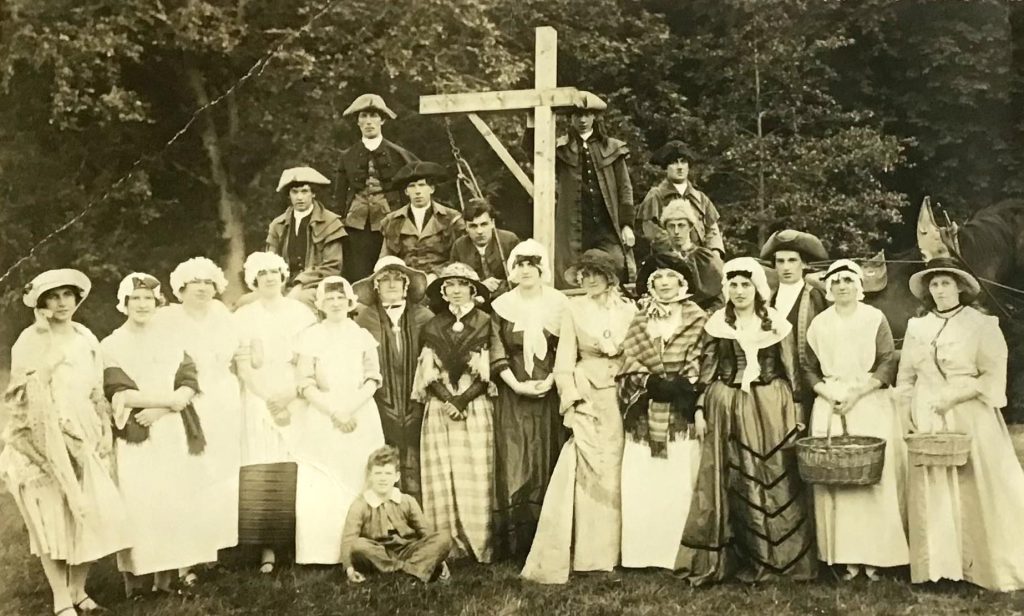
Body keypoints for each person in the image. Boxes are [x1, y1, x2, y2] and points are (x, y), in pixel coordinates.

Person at [677, 257, 817, 584]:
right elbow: (707, 369)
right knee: (728, 476)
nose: (739, 291)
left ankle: (776, 558)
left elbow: (791, 372)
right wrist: (699, 409)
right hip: (725, 404)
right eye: (733, 285)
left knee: (770, 474)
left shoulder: (777, 323)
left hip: (768, 405)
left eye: (745, 285)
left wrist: (796, 411)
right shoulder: (716, 324)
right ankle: (732, 557)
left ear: (757, 289)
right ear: (726, 289)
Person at [1, 269, 129, 615]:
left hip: (83, 432)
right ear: (41, 304)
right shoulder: (30, 339)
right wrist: (46, 345)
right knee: (51, 521)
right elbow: (20, 394)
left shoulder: (86, 335)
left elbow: (95, 389)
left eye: (67, 296)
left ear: (76, 299)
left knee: (86, 515)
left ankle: (79, 591)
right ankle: (60, 597)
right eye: (52, 298)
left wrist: (102, 428)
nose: (61, 304)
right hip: (43, 441)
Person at [897, 258, 1024, 591]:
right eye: (934, 285)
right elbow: (906, 375)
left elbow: (994, 376)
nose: (939, 290)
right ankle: (938, 567)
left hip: (969, 412)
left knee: (975, 485)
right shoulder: (917, 327)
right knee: (933, 487)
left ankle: (981, 566)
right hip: (926, 412)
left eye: (946, 284)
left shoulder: (981, 325)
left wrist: (955, 396)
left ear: (960, 288)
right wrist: (906, 413)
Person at [521, 249, 636, 584]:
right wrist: (570, 401)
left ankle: (619, 552)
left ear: (609, 276)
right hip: (588, 391)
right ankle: (590, 554)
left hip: (623, 394)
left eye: (594, 273)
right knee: (590, 466)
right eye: (583, 274)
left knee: (617, 467)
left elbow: (637, 351)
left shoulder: (630, 309)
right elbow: (564, 362)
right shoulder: (574, 309)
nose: (587, 279)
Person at [101, 273, 214, 596]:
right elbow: (118, 391)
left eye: (148, 299)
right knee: (138, 503)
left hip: (171, 430)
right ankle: (134, 583)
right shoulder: (112, 344)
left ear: (157, 302)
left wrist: (167, 408)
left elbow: (189, 379)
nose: (141, 304)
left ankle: (164, 581)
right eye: (134, 299)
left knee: (171, 501)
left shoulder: (171, 337)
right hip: (136, 432)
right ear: (123, 304)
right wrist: (168, 402)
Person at [805, 259, 908, 581]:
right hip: (830, 403)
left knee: (872, 478)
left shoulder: (874, 318)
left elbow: (886, 362)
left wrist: (858, 393)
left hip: (868, 400)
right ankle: (842, 558)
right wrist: (828, 393)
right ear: (829, 287)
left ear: (858, 285)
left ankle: (877, 557)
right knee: (836, 479)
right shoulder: (819, 323)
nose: (841, 287)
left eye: (848, 281)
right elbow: (807, 366)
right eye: (835, 282)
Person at [616, 263, 705, 570]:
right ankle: (643, 554)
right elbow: (628, 357)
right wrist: (650, 382)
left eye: (671, 276)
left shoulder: (696, 317)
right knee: (644, 479)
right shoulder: (640, 318)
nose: (665, 282)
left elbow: (701, 357)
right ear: (650, 284)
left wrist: (681, 384)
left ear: (682, 282)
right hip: (646, 406)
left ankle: (676, 552)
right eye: (659, 276)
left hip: (681, 408)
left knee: (679, 478)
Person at [232, 252, 317, 573]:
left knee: (295, 462)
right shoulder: (243, 316)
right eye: (262, 273)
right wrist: (269, 398)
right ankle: (266, 547)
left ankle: (297, 540)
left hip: (295, 394)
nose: (269, 278)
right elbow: (243, 367)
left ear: (283, 276)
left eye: (274, 272)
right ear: (253, 279)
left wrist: (290, 394)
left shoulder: (301, 313)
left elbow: (309, 359)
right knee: (263, 464)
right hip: (257, 397)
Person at [162, 258, 246, 575]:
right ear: (181, 287)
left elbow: (242, 353)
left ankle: (213, 550)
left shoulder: (224, 316)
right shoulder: (168, 318)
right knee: (190, 472)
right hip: (187, 399)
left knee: (221, 472)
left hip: (223, 398)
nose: (201, 287)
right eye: (194, 281)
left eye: (208, 281)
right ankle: (185, 558)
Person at [294, 276, 386, 564]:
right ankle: (320, 553)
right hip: (323, 413)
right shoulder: (310, 337)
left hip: (360, 412)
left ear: (350, 302)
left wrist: (350, 408)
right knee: (323, 480)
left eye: (340, 298)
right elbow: (305, 383)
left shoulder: (361, 336)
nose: (335, 303)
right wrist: (334, 411)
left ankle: (361, 550)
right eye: (329, 298)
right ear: (320, 304)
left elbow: (373, 379)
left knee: (358, 474)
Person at [490, 239, 569, 560]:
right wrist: (516, 384)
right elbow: (495, 348)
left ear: (541, 268)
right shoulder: (502, 306)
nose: (525, 271)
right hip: (514, 392)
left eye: (530, 264)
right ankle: (516, 544)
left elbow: (566, 347)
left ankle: (549, 540)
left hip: (549, 389)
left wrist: (552, 379)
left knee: (545, 455)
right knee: (515, 459)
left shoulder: (559, 303)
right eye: (519, 265)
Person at [412, 262, 495, 562]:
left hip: (474, 404)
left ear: (473, 289)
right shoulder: (433, 325)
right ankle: (448, 544)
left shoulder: (486, 321)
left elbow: (489, 369)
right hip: (441, 406)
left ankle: (477, 541)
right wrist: (449, 399)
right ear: (444, 292)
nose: (456, 290)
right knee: (443, 472)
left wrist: (463, 400)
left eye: (462, 284)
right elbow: (427, 370)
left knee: (474, 471)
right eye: (450, 286)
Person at [353, 256, 433, 503]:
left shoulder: (424, 316)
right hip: (380, 399)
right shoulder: (364, 318)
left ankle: (417, 516)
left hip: (417, 397)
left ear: (407, 285)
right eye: (384, 280)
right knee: (384, 459)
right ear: (376, 286)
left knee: (417, 458)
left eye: (397, 279)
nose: (391, 285)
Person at [551, 95, 636, 286]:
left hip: (606, 226)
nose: (582, 120)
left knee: (618, 265)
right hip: (574, 228)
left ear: (594, 117)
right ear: (570, 118)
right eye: (577, 115)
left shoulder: (612, 147)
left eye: (587, 115)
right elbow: (535, 153)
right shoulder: (560, 149)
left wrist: (626, 224)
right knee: (570, 274)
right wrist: (532, 124)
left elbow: (625, 187)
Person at [335, 94, 420, 282]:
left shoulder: (399, 154)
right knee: (358, 273)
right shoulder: (347, 156)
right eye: (363, 116)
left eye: (373, 116)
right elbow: (339, 195)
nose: (368, 122)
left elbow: (414, 186)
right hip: (356, 224)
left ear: (382, 120)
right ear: (357, 121)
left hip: (389, 221)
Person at [340, 446, 452, 584]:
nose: (383, 479)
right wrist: (350, 570)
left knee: (444, 538)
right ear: (370, 476)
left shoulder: (406, 500)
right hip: (380, 554)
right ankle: (413, 572)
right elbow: (348, 540)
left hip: (408, 550)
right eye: (378, 473)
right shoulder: (361, 504)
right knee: (358, 546)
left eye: (387, 474)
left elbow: (425, 532)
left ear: (396, 477)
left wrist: (440, 561)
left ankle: (403, 573)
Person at [759, 229, 829, 420]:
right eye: (780, 261)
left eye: (792, 260)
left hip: (812, 384)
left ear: (804, 263)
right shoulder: (767, 300)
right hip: (776, 388)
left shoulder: (817, 297)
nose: (786, 267)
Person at [265, 166, 346, 308]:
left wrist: (300, 284)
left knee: (300, 301)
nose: (299, 197)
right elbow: (269, 262)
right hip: (283, 285)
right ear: (288, 194)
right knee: (251, 302)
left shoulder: (330, 223)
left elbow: (333, 266)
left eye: (304, 191)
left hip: (317, 286)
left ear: (313, 193)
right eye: (294, 192)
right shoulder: (278, 224)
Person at [637, 140, 724, 257]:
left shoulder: (700, 198)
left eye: (683, 162)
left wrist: (715, 252)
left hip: (699, 258)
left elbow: (712, 230)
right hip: (669, 258)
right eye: (674, 163)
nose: (679, 167)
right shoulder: (656, 195)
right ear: (666, 167)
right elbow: (650, 229)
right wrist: (674, 249)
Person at [379, 161, 466, 277]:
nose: (417, 191)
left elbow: (459, 257)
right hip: (405, 279)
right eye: (412, 186)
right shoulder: (392, 221)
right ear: (406, 192)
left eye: (422, 185)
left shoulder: (451, 218)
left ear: (431, 189)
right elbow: (386, 258)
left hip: (443, 277)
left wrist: (438, 275)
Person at [635, 199, 724, 311]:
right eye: (671, 226)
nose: (676, 231)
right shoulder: (659, 260)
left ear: (690, 227)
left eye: (681, 225)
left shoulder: (706, 259)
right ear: (665, 229)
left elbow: (719, 298)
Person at [449, 198, 521, 296]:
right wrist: (479, 286)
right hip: (474, 299)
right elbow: (453, 281)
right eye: (473, 226)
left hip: (507, 298)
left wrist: (502, 286)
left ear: (492, 223)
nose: (479, 231)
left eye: (484, 224)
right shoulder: (459, 246)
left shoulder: (509, 241)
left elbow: (521, 275)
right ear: (466, 227)